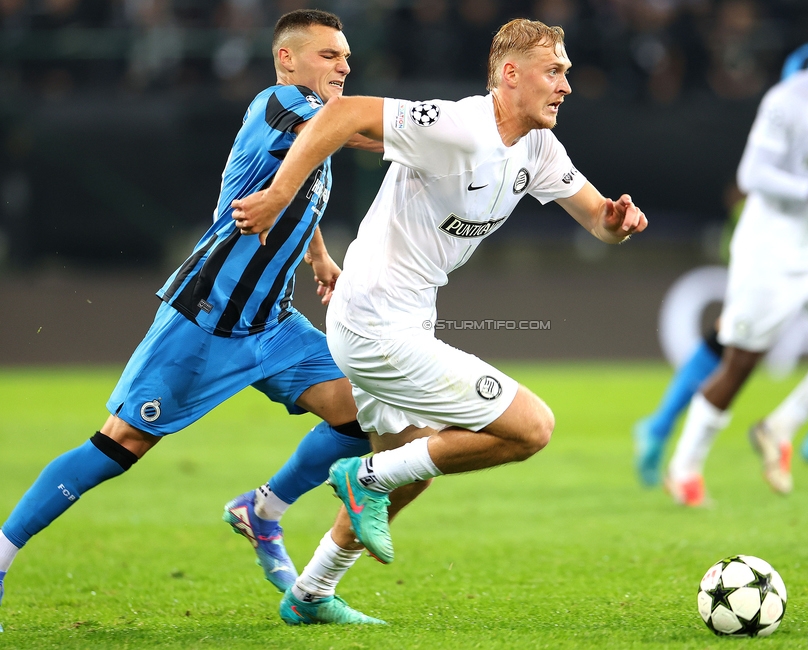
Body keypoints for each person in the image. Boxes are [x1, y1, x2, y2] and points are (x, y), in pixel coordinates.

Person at [230, 18, 647, 625]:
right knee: (531, 427)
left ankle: (311, 593)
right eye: (554, 72)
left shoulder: (537, 148)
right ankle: (360, 474)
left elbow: (597, 222)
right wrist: (276, 196)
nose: (566, 86)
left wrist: (617, 222)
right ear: (510, 75)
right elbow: (341, 117)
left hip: (405, 319)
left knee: (410, 473)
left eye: (566, 74)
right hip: (373, 320)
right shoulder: (455, 126)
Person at [0, 9, 403, 627]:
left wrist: (319, 256)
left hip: (273, 324)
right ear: (288, 59)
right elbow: (358, 134)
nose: (344, 66)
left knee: (362, 415)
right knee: (120, 444)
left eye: (347, 57)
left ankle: (262, 510)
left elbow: (296, 185)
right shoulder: (278, 104)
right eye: (329, 55)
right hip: (206, 319)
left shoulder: (310, 125)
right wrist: (454, 125)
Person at [633, 0, 808, 494]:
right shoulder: (789, 97)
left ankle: (780, 427)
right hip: (770, 244)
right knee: (740, 364)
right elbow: (752, 175)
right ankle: (685, 468)